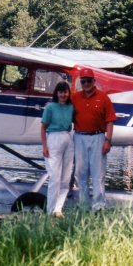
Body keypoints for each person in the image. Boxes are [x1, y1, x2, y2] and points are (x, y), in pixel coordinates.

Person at [72, 68, 116, 212]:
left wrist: (108, 140)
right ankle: (84, 205)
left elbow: (110, 121)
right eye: (83, 81)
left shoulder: (103, 97)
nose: (86, 84)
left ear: (93, 81)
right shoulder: (75, 97)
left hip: (98, 137)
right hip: (79, 137)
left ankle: (98, 206)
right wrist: (50, 107)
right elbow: (61, 107)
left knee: (98, 174)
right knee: (80, 173)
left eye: (88, 81)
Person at [41, 81, 74, 218]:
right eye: (60, 92)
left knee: (65, 178)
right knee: (55, 177)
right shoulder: (50, 108)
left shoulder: (71, 107)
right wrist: (44, 146)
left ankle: (58, 209)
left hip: (67, 138)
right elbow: (43, 127)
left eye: (65, 92)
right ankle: (50, 210)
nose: (63, 95)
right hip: (53, 138)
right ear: (57, 93)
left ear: (68, 93)